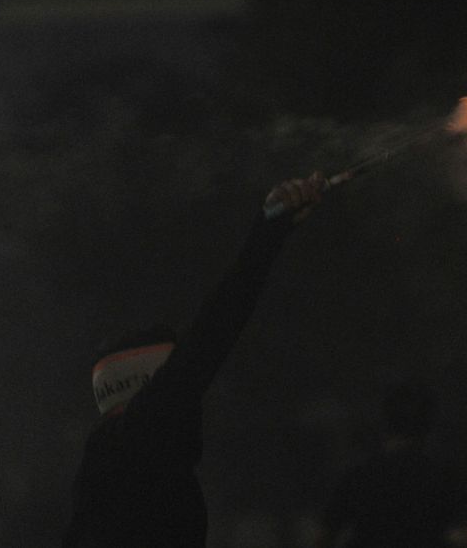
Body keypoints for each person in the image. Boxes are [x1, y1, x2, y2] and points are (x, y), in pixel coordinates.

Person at [62, 172, 325, 548]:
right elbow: (216, 327)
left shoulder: (103, 464)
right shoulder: (148, 433)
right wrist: (268, 231)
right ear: (152, 382)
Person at [317, 382, 467, 548]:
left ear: (385, 424)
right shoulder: (447, 478)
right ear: (429, 427)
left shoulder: (357, 476)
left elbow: (324, 539)